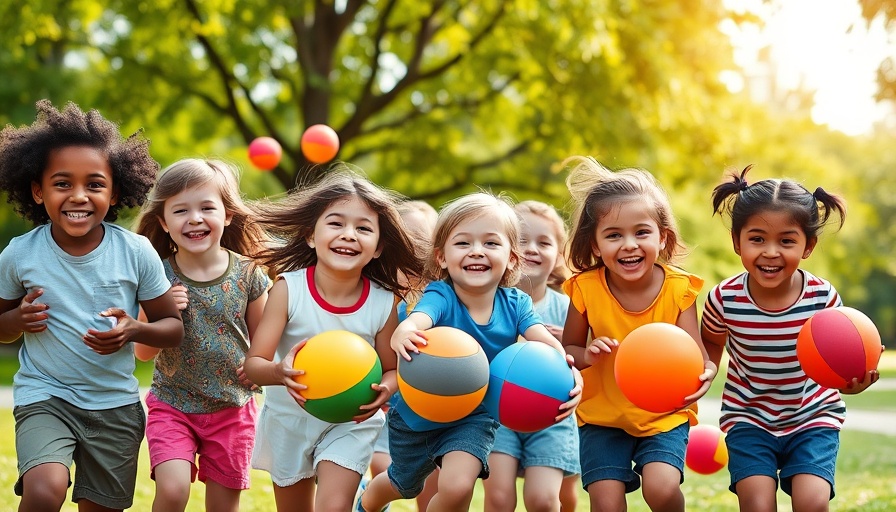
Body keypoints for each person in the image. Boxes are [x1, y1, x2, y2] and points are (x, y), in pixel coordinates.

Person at [0, 99, 184, 511]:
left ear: (114, 190)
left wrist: (135, 330)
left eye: (94, 184)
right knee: (44, 490)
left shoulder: (135, 251)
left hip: (114, 405)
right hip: (45, 396)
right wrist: (16, 319)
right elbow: (1, 325)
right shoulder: (20, 254)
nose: (78, 196)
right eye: (62, 183)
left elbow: (172, 328)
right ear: (37, 190)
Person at [358, 192, 583, 512]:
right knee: (402, 484)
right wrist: (405, 331)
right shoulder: (441, 295)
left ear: (512, 258)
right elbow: (420, 318)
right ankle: (368, 502)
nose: (477, 251)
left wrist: (571, 372)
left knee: (458, 485)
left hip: (474, 415)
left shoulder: (516, 304)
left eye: (491, 243)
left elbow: (549, 346)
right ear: (441, 257)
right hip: (419, 411)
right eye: (463, 243)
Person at [243, 167, 424, 512]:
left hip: (351, 423)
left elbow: (392, 369)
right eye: (336, 223)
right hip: (289, 422)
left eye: (363, 228)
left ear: (377, 248)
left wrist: (387, 388)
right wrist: (279, 372)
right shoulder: (287, 289)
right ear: (311, 235)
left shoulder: (384, 301)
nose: (349, 235)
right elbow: (254, 365)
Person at [701, 165, 880, 512]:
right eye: (757, 239)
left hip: (813, 417)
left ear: (808, 246)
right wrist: (707, 367)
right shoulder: (724, 299)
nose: (770, 252)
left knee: (811, 503)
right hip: (748, 418)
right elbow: (711, 341)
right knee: (757, 504)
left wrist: (850, 381)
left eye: (786, 241)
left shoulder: (822, 298)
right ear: (737, 242)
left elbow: (839, 357)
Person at [560, 156, 715, 512]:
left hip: (664, 414)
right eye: (613, 235)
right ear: (596, 245)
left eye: (641, 232)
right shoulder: (585, 289)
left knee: (660, 490)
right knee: (606, 502)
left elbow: (696, 355)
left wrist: (705, 372)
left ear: (663, 238)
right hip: (602, 417)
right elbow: (569, 347)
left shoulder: (679, 288)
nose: (629, 244)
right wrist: (589, 354)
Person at [132, 158, 271, 512]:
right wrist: (165, 310)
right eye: (180, 210)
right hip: (172, 405)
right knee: (174, 490)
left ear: (227, 215)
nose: (194, 218)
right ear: (163, 222)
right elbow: (142, 352)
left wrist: (258, 367)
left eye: (207, 207)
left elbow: (264, 342)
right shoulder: (157, 276)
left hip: (232, 409)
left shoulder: (249, 274)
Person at [482, 199, 581, 512]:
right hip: (497, 415)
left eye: (544, 242)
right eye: (522, 241)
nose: (532, 249)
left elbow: (589, 354)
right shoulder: (485, 304)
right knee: (498, 498)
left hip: (553, 417)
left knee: (544, 500)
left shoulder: (568, 308)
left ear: (559, 254)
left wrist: (571, 344)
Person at [368, 199, 440, 512]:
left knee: (432, 479)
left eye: (421, 241)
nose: (412, 250)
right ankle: (370, 502)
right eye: (405, 240)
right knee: (383, 467)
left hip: (431, 405)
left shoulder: (441, 299)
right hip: (385, 403)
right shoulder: (380, 295)